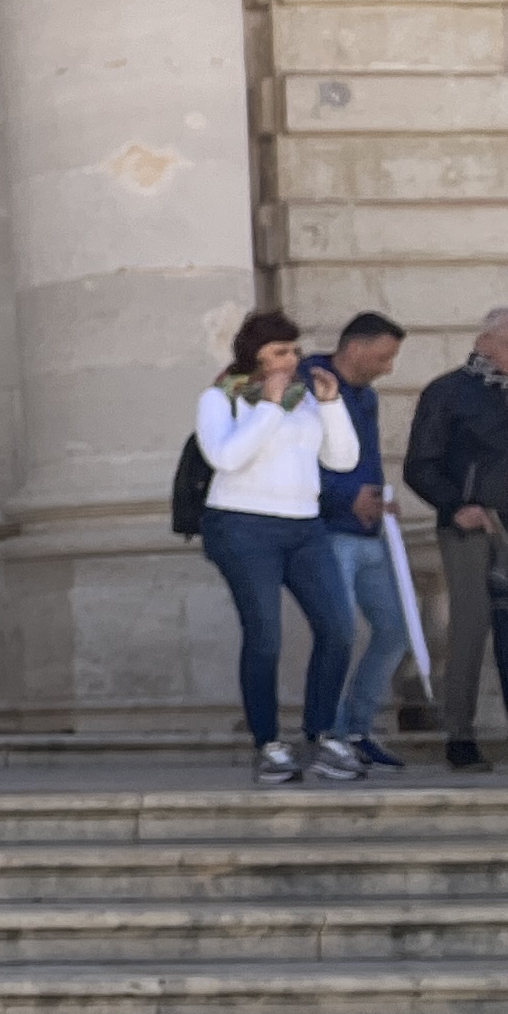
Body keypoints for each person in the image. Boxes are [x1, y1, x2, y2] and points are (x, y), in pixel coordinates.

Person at [195, 312, 363, 785]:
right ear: (255, 356)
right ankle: (268, 744)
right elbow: (226, 457)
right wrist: (269, 406)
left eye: (294, 351)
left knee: (339, 627)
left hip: (305, 527)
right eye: (279, 352)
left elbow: (343, 460)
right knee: (265, 635)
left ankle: (323, 735)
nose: (291, 360)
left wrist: (330, 404)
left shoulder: (304, 399)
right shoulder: (220, 398)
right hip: (242, 527)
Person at [401, 304, 508, 770]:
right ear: (484, 343)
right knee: (470, 628)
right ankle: (460, 737)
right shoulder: (448, 392)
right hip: (473, 525)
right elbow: (419, 465)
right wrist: (456, 506)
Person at [315, 314, 413, 772]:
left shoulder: (366, 395)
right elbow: (296, 459)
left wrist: (378, 496)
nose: (388, 368)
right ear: (355, 348)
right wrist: (344, 497)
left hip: (370, 532)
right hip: (328, 532)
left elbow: (366, 457)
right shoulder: (310, 384)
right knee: (339, 633)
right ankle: (333, 736)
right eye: (383, 357)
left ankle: (358, 728)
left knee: (395, 629)